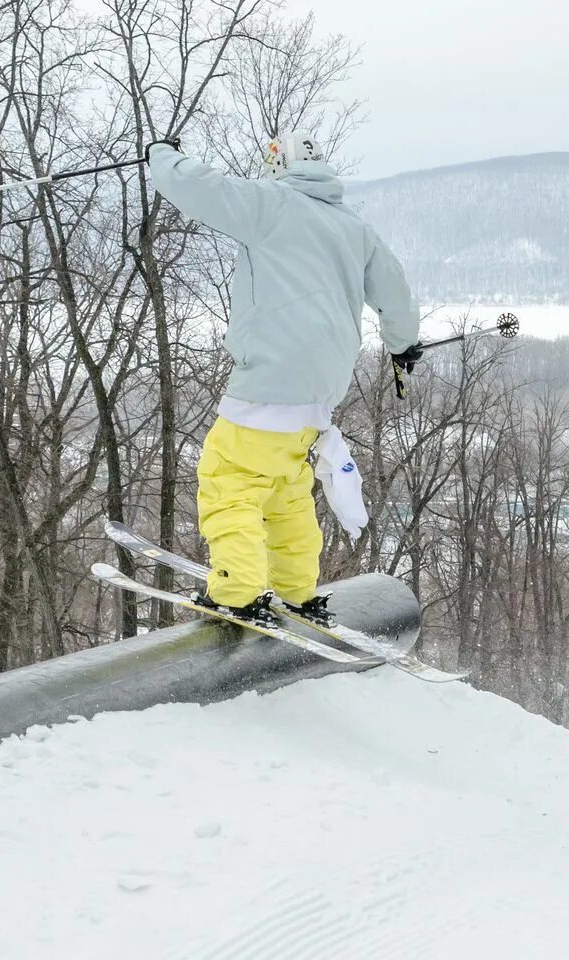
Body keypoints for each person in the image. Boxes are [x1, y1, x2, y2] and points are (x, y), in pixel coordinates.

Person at [145, 134, 421, 625]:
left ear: (276, 168)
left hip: (267, 383)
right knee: (285, 488)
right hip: (318, 395)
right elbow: (394, 292)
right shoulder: (353, 228)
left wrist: (161, 155)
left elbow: (201, 188)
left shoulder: (270, 204)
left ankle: (238, 588)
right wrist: (402, 346)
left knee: (228, 479)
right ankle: (297, 589)